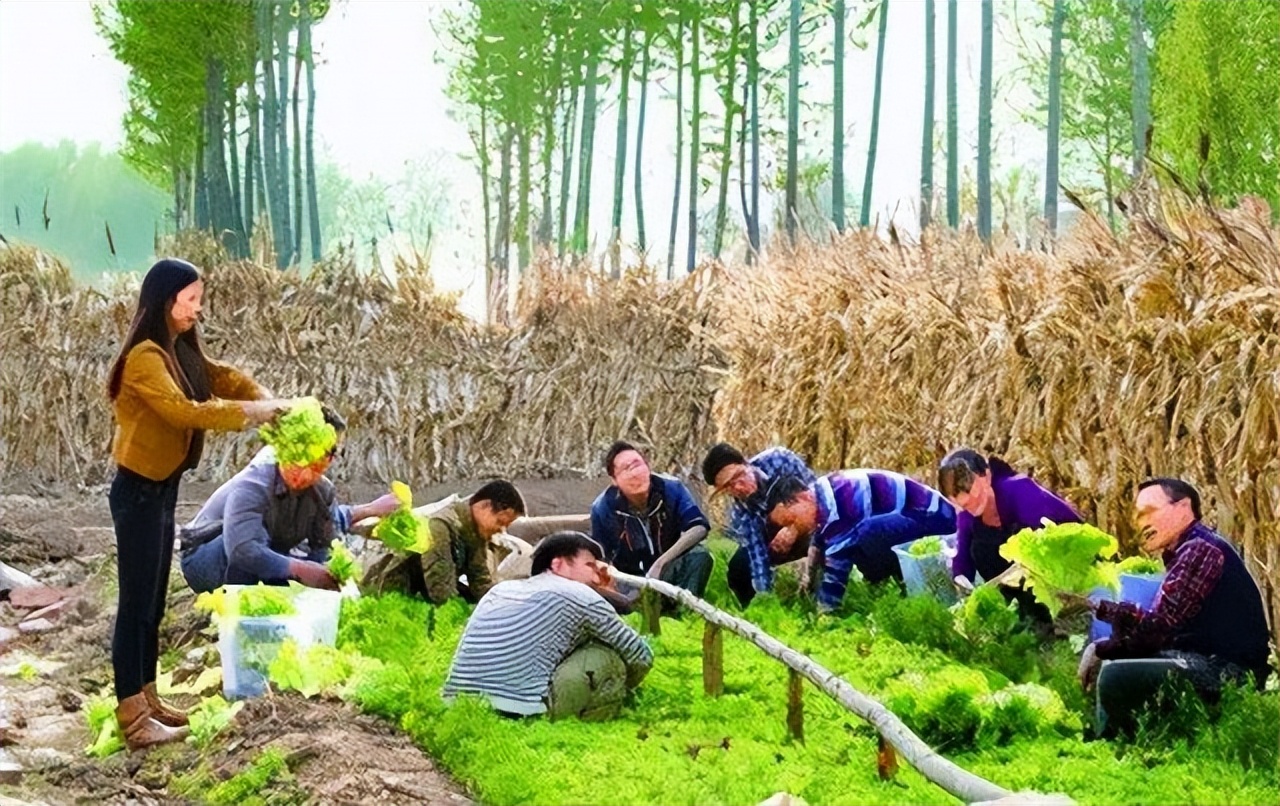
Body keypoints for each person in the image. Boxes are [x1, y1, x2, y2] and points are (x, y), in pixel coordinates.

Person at [105, 258, 291, 750]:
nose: (196, 309)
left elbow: (222, 378)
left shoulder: (178, 350)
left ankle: (148, 698)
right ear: (166, 301)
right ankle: (133, 718)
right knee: (135, 604)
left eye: (198, 300)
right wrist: (255, 414)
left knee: (153, 603)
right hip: (138, 493)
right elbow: (184, 411)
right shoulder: (146, 357)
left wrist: (267, 401)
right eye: (190, 300)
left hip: (161, 490)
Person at [1076, 478, 1271, 737]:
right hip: (1203, 658)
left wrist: (1100, 649)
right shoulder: (1188, 550)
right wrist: (1103, 610)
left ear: (1183, 508)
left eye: (1149, 512)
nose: (1141, 522)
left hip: (1225, 671)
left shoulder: (1201, 550)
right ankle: (1124, 738)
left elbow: (1157, 630)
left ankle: (1117, 749)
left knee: (1116, 674)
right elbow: (1160, 619)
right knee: (1117, 660)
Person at [178, 407, 400, 593]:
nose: (330, 458)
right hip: (204, 556)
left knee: (292, 567)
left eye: (331, 452)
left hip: (258, 548)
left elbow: (324, 540)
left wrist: (322, 577)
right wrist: (301, 570)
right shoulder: (258, 479)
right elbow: (242, 549)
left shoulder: (321, 489)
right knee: (257, 550)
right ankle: (242, 617)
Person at [442, 531, 653, 720]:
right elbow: (640, 655)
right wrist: (625, 685)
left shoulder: (502, 589)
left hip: (458, 704)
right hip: (519, 712)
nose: (597, 574)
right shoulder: (579, 595)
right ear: (558, 564)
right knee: (609, 656)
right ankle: (590, 718)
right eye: (590, 565)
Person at [765, 471, 957, 612]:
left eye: (790, 521)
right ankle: (890, 590)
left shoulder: (843, 497)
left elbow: (837, 562)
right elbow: (819, 543)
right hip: (909, 522)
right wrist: (807, 583)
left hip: (935, 520)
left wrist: (826, 611)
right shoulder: (822, 494)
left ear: (802, 498)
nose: (792, 529)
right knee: (852, 540)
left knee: (861, 537)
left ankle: (903, 589)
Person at [362, 479, 527, 604]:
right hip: (391, 593)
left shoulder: (476, 532)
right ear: (483, 506)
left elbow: (480, 581)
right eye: (500, 522)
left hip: (422, 593)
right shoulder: (440, 526)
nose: (502, 530)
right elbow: (440, 588)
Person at [937, 449, 1082, 588]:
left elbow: (1061, 534)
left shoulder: (1018, 489)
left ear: (986, 475)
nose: (965, 500)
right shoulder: (967, 515)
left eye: (968, 487)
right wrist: (961, 580)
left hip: (1067, 570)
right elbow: (962, 559)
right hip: (1019, 592)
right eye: (955, 495)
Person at [590, 441, 713, 600]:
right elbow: (602, 557)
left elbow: (699, 527)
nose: (635, 473)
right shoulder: (603, 507)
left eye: (637, 465)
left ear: (647, 466)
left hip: (668, 566)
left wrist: (661, 564)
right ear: (614, 480)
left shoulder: (671, 489)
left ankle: (684, 610)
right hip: (630, 579)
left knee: (700, 556)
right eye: (626, 469)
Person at [701, 442, 816, 607]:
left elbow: (817, 498)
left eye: (738, 476)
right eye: (728, 486)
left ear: (746, 464)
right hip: (776, 545)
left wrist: (795, 527)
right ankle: (753, 610)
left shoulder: (780, 460)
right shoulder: (741, 512)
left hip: (810, 525)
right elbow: (758, 558)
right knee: (739, 566)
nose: (738, 486)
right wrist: (766, 600)